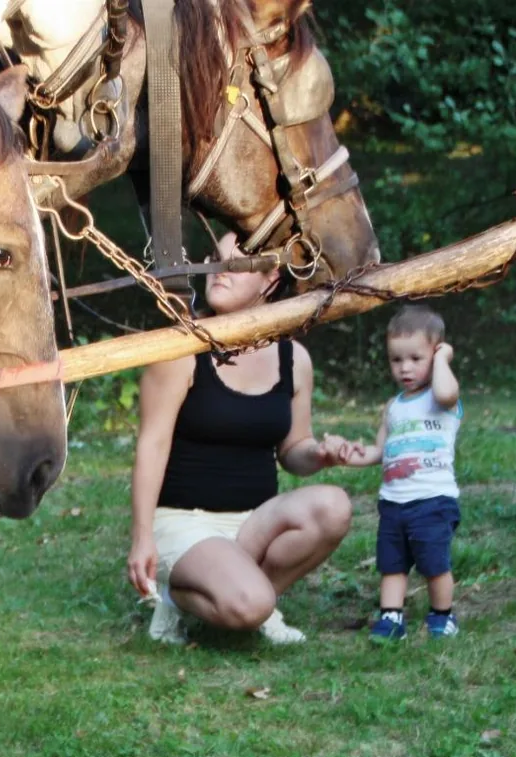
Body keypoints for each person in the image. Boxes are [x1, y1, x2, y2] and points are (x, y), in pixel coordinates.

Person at [127, 232, 366, 646]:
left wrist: (322, 454)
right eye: (215, 259)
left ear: (270, 280)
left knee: (334, 506)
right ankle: (185, 597)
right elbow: (152, 447)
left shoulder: (295, 359)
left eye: (234, 264)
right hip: (186, 523)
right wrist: (142, 536)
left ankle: (249, 594)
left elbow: (294, 450)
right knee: (251, 606)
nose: (218, 270)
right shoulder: (181, 349)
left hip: (255, 522)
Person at [345, 306, 463, 640]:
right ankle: (392, 618)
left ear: (437, 353)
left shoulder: (443, 398)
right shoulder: (394, 406)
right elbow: (380, 452)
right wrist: (349, 454)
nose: (405, 367)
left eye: (416, 357)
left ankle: (442, 616)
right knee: (391, 564)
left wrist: (443, 360)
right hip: (394, 503)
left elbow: (445, 391)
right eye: (396, 360)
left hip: (433, 501)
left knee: (434, 564)